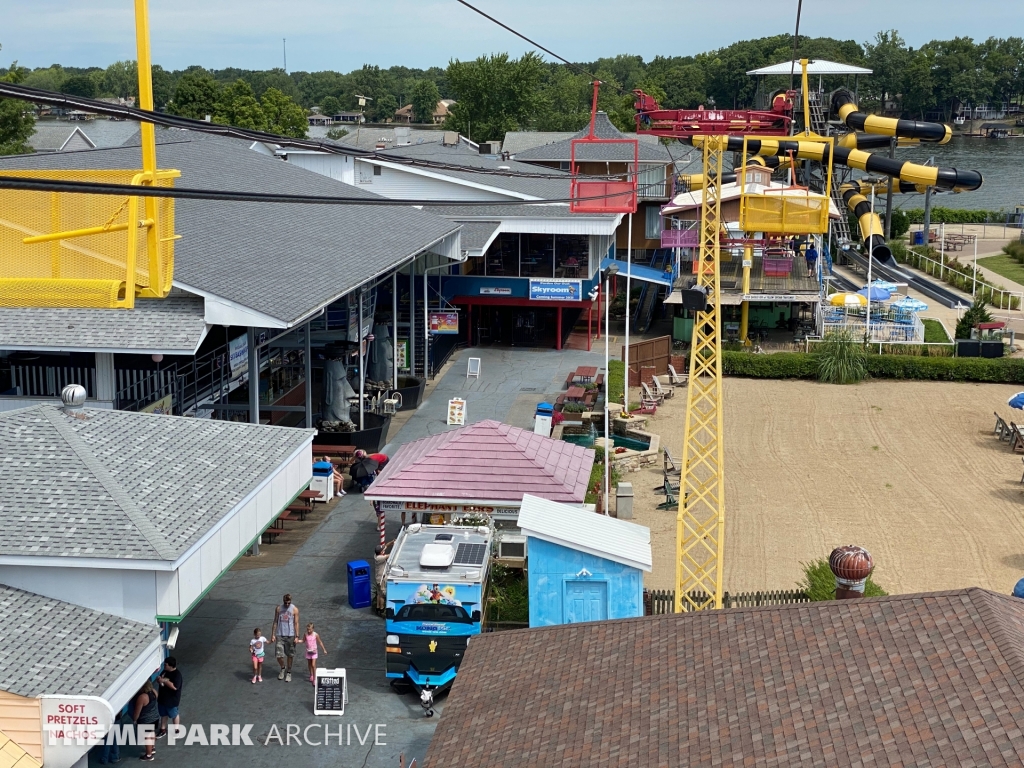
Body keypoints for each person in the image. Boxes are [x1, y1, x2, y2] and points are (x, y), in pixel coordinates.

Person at [271, 593, 299, 682]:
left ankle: (289, 672)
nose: (287, 605)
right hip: (280, 634)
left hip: (290, 635)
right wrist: (273, 634)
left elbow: (296, 623)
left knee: (290, 655)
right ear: (283, 601)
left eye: (288, 603)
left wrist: (297, 636)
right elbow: (275, 621)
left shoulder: (294, 609)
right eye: (285, 603)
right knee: (278, 655)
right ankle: (283, 668)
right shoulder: (279, 608)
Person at [155, 657, 182, 740]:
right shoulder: (165, 671)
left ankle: (176, 730)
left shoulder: (177, 675)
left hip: (171, 700)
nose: (164, 666)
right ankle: (163, 730)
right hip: (163, 698)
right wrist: (159, 680)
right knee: (163, 714)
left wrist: (164, 681)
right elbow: (161, 679)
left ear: (171, 666)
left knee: (174, 714)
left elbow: (174, 687)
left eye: (166, 665)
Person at [131, 682, 159, 762]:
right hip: (155, 717)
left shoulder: (142, 697)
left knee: (147, 737)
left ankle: (148, 755)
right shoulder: (154, 691)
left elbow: (137, 711)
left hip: (146, 721)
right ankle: (152, 748)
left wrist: (135, 719)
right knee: (152, 732)